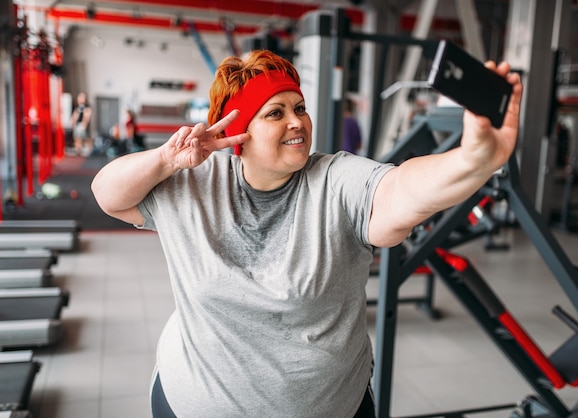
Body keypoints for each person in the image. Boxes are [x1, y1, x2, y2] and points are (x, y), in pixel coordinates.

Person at [91, 49, 522, 417]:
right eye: (275, 113)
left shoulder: (334, 179)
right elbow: (107, 194)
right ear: (238, 134)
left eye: (299, 108)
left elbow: (398, 192)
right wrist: (165, 161)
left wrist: (473, 160)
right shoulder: (193, 184)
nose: (297, 122)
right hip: (192, 400)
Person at [70, 92, 93, 156]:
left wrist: (85, 123)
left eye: (82, 97)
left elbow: (87, 116)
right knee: (77, 137)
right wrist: (72, 122)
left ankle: (90, 150)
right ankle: (78, 150)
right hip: (77, 124)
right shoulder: (77, 107)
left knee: (85, 137)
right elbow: (75, 115)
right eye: (79, 97)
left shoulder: (87, 106)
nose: (80, 99)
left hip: (83, 125)